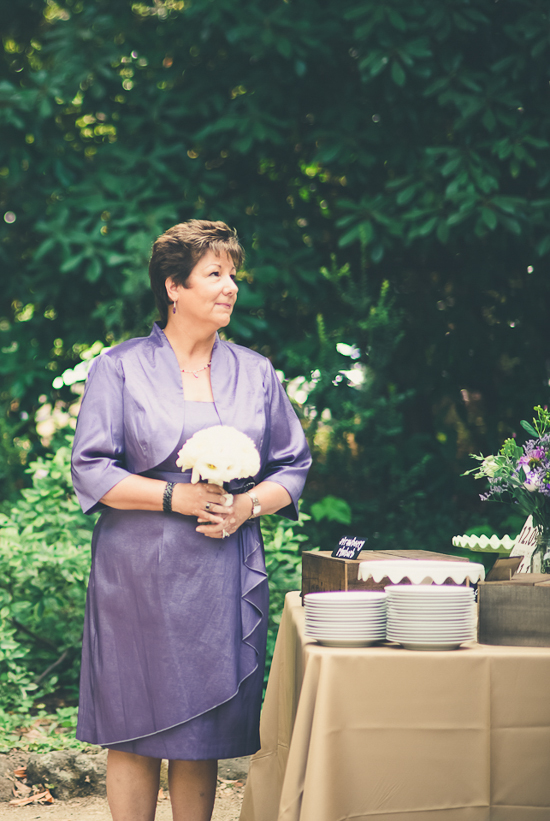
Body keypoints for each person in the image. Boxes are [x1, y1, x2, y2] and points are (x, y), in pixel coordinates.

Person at [71, 220, 311, 821]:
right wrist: (170, 498)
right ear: (174, 287)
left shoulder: (256, 372)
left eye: (233, 274)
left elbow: (293, 466)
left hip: (220, 565)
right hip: (135, 573)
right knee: (134, 724)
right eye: (214, 274)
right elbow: (91, 469)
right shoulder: (117, 369)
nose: (230, 286)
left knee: (202, 729)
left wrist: (246, 505)